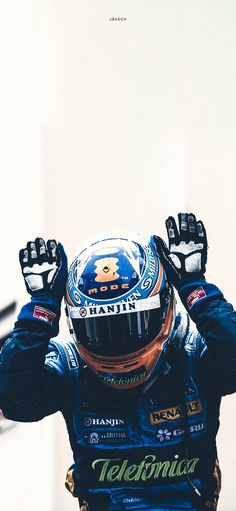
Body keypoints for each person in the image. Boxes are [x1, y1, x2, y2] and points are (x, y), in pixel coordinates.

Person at [0, 213, 235, 511]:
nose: (117, 341)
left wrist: (195, 288)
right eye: (101, 329)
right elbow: (15, 400)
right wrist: (42, 308)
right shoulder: (70, 364)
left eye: (130, 324)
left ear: (162, 306)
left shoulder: (191, 350)